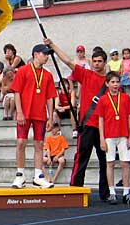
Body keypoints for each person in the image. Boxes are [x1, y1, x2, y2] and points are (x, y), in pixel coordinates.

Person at [45, 39, 110, 201]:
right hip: (87, 124)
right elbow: (68, 61)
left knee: (105, 161)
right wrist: (53, 46)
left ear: (105, 62)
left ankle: (106, 193)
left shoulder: (111, 82)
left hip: (104, 127)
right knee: (81, 158)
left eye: (99, 61)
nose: (96, 64)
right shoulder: (86, 74)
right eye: (94, 61)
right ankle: (75, 190)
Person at [11, 44, 57, 189]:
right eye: (44, 54)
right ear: (36, 54)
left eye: (47, 54)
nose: (47, 57)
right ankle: (20, 175)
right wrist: (19, 112)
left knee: (39, 144)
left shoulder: (48, 75)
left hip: (40, 114)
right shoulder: (23, 70)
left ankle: (38, 176)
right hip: (24, 113)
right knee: (21, 142)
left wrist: (50, 117)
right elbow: (17, 92)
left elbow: (50, 98)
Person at [95, 72, 130, 204]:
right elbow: (100, 120)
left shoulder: (125, 98)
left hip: (123, 134)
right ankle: (112, 192)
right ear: (107, 84)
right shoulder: (103, 99)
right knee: (110, 163)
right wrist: (101, 138)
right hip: (109, 135)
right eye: (112, 82)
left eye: (117, 82)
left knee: (125, 163)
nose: (115, 84)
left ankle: (126, 192)